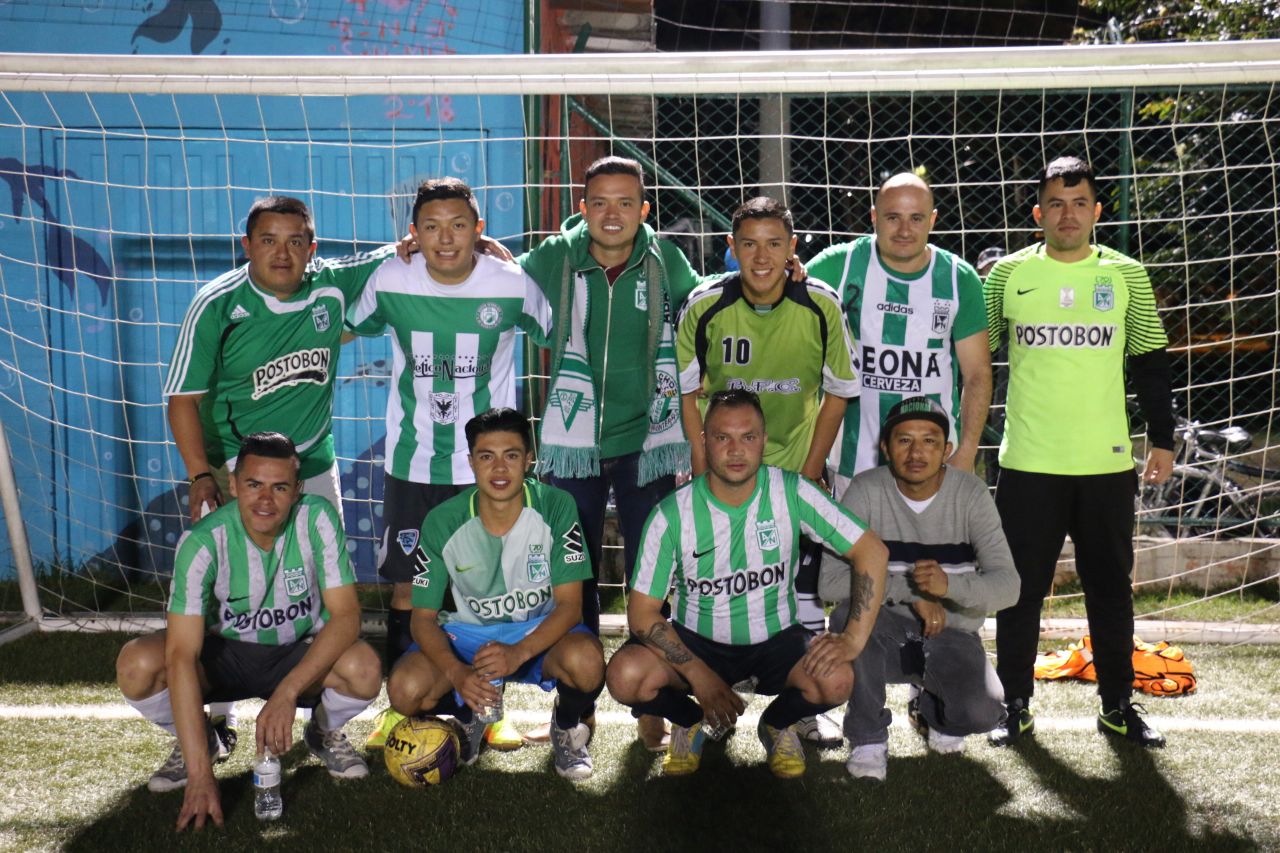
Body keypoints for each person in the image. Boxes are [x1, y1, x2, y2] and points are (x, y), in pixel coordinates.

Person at [162, 199, 391, 741]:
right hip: (234, 473)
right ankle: (212, 718)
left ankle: (322, 720)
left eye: (295, 241)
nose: (282, 252)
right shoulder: (217, 304)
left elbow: (399, 254)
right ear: (247, 246)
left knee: (319, 593)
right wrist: (201, 476)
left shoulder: (330, 287)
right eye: (268, 240)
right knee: (222, 591)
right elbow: (181, 399)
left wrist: (476, 247)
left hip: (312, 465)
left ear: (312, 250)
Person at [348, 177, 553, 745]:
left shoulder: (510, 283)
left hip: (486, 474)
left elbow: (559, 331)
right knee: (410, 591)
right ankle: (399, 710)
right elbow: (340, 323)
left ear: (479, 231)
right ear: (412, 234)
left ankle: (489, 711)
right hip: (413, 466)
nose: (445, 238)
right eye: (431, 227)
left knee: (482, 590)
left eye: (459, 225)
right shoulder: (391, 278)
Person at [984, 156, 1175, 748]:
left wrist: (1162, 438)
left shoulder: (1126, 275)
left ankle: (1117, 705)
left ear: (1097, 210)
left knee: (1111, 591)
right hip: (1028, 464)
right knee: (1019, 592)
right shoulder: (1007, 276)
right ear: (1038, 212)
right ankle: (1014, 705)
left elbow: (1149, 361)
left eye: (1080, 203)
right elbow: (978, 362)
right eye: (1056, 204)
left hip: (1106, 464)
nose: (1068, 215)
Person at [606, 389, 888, 779]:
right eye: (723, 438)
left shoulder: (792, 491)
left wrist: (853, 639)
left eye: (748, 437)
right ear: (704, 442)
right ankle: (690, 721)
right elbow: (641, 615)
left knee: (837, 678)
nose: (736, 450)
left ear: (764, 441)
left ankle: (776, 723)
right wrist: (699, 675)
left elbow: (872, 551)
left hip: (777, 643)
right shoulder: (672, 514)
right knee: (625, 675)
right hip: (697, 644)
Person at [518, 155, 702, 750]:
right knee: (576, 576)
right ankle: (581, 701)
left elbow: (706, 306)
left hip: (646, 440)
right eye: (600, 202)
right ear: (583, 208)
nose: (612, 214)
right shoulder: (557, 257)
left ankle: (650, 694)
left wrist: (782, 271)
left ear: (644, 210)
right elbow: (497, 278)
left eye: (625, 203)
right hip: (574, 446)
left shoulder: (663, 259)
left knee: (652, 579)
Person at [115, 432, 380, 831]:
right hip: (225, 657)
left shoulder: (317, 517)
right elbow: (181, 654)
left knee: (365, 668)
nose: (265, 499)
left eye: (279, 487)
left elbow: (346, 618)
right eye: (254, 485)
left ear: (298, 490)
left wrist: (287, 692)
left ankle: (323, 733)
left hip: (296, 651)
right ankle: (200, 744)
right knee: (137, 664)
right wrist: (202, 777)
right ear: (235, 485)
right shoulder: (202, 542)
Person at [676, 195, 860, 746]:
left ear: (792, 248)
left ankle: (796, 711)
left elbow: (838, 394)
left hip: (790, 470)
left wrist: (807, 474)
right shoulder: (704, 305)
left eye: (774, 244)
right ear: (729, 249)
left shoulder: (820, 305)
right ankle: (708, 705)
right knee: (711, 590)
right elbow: (689, 395)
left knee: (800, 597)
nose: (761, 257)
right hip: (724, 473)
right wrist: (701, 467)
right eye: (749, 244)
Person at [384, 408, 605, 780]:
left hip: (536, 634)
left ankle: (566, 726)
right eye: (487, 456)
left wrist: (518, 652)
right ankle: (470, 718)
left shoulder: (556, 506)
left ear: (529, 460)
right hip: (468, 639)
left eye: (511, 455)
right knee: (405, 691)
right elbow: (421, 619)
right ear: (471, 462)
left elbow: (570, 608)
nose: (499, 469)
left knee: (587, 663)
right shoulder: (443, 520)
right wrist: (456, 673)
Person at [818, 397, 1019, 781]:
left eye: (929, 441)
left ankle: (933, 707)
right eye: (904, 440)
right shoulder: (865, 490)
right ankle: (868, 738)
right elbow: (828, 580)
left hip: (952, 632)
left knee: (981, 712)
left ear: (946, 450)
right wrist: (912, 591)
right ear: (885, 447)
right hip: (881, 630)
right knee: (848, 616)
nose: (916, 452)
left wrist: (949, 586)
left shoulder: (971, 494)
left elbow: (1009, 586)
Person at [806, 172, 992, 495]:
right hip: (853, 468)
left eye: (916, 218)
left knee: (933, 549)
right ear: (875, 217)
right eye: (893, 217)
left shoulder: (958, 280)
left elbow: (977, 373)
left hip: (937, 470)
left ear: (932, 220)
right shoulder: (840, 266)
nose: (905, 230)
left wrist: (966, 453)